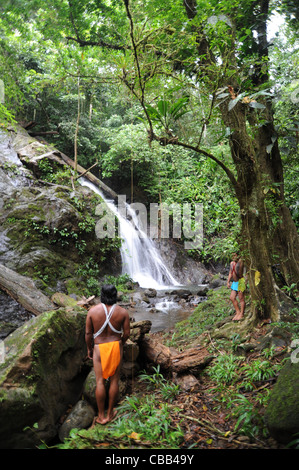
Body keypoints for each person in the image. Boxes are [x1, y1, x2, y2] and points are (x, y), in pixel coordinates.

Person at [85, 284, 130, 424]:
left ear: (101, 294)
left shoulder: (93, 311)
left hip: (99, 347)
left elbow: (88, 333)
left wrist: (89, 348)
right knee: (114, 381)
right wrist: (121, 342)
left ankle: (101, 416)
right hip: (116, 346)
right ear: (115, 294)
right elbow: (127, 333)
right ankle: (110, 413)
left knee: (100, 382)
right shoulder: (123, 312)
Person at [227, 253, 246, 321]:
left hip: (241, 281)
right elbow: (230, 272)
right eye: (232, 256)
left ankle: (242, 313)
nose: (233, 257)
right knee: (232, 297)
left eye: (234, 255)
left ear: (238, 255)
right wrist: (228, 281)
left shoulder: (241, 261)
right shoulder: (231, 263)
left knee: (241, 298)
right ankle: (238, 312)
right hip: (235, 283)